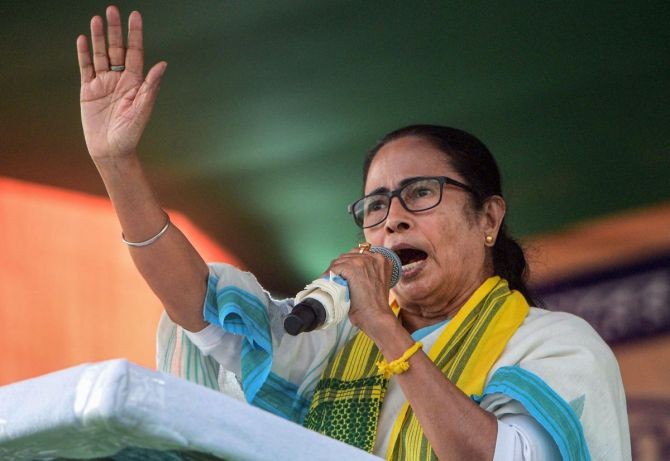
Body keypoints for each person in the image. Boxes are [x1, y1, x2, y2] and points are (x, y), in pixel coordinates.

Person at [77, 6, 631, 460]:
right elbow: (198, 308)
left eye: (421, 193)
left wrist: (388, 332)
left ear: (488, 218)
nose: (393, 218)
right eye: (375, 204)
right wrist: (116, 164)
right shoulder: (332, 342)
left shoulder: (553, 346)